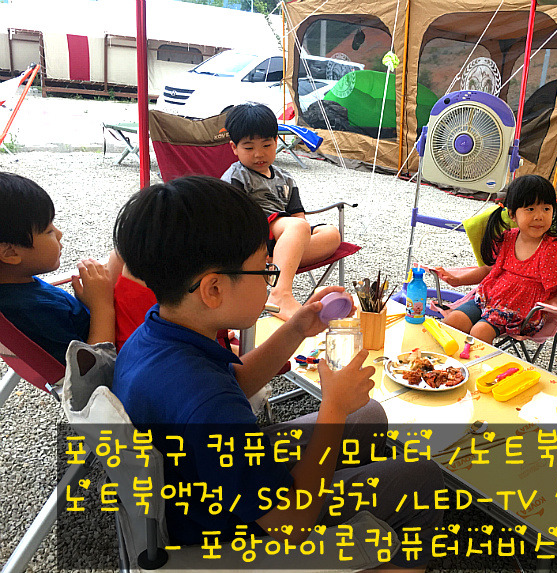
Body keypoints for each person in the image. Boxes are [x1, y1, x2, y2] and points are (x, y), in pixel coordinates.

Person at [111, 176, 443, 568]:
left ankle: (354, 513)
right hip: (234, 530)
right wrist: (333, 409)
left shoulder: (160, 331)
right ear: (213, 290)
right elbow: (292, 524)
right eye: (264, 270)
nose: (272, 279)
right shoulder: (208, 404)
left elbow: (235, 383)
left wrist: (297, 327)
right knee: (423, 480)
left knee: (368, 416)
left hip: (208, 479)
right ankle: (362, 540)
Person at [221, 103, 341, 321]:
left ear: (276, 142)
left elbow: (298, 216)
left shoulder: (286, 178)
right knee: (296, 227)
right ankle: (280, 293)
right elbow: (232, 220)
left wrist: (298, 235)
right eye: (249, 148)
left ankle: (280, 260)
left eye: (266, 145)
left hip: (286, 236)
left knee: (331, 234)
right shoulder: (236, 176)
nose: (259, 154)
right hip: (256, 234)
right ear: (234, 148)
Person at [433, 174, 557, 344]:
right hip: (488, 297)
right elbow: (488, 270)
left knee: (479, 332)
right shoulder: (508, 239)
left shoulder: (553, 249)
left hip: (520, 312)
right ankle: (444, 360)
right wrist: (458, 280)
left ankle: (477, 361)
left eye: (546, 209)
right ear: (512, 214)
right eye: (530, 209)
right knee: (452, 322)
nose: (539, 216)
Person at [0, 172, 114, 364]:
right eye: (49, 231)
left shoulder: (17, 285)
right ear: (10, 253)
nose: (59, 234)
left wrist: (88, 303)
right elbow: (91, 371)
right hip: (115, 361)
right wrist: (101, 306)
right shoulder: (33, 312)